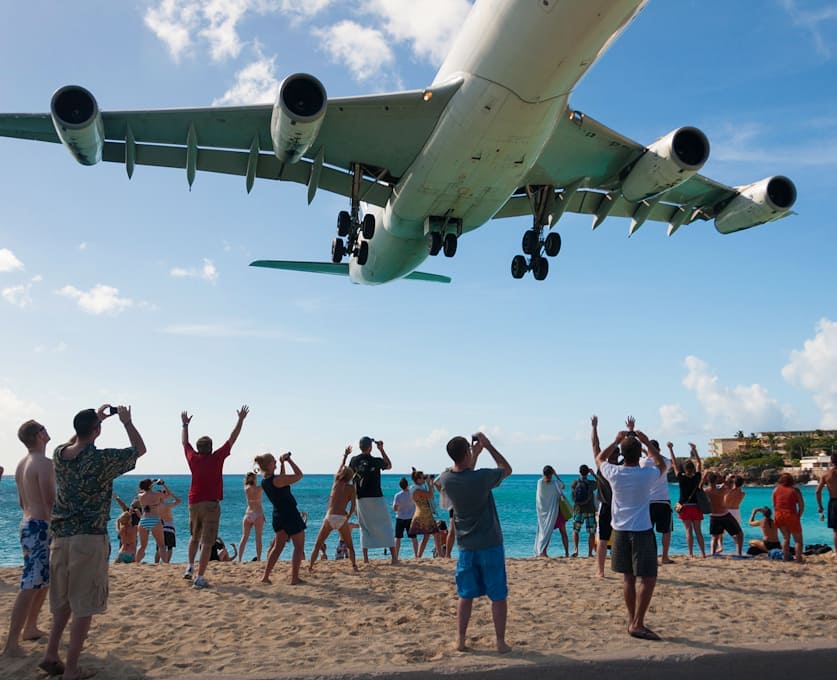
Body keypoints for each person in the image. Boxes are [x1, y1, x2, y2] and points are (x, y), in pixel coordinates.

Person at [39, 404, 146, 680]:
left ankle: (52, 653)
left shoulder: (59, 455)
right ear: (96, 431)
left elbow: (73, 440)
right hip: (89, 537)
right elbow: (139, 449)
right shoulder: (101, 460)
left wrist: (95, 421)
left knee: (62, 602)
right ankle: (71, 670)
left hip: (60, 538)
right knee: (84, 605)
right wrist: (126, 422)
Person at [436, 432, 512, 654]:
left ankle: (460, 640)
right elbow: (506, 469)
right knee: (498, 595)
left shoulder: (446, 479)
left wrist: (473, 454)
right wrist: (488, 446)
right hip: (490, 543)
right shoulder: (481, 478)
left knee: (465, 595)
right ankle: (500, 642)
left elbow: (462, 473)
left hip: (466, 546)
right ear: (467, 453)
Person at [595, 416, 666, 641]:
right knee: (648, 578)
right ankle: (638, 622)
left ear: (623, 454)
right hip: (642, 530)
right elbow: (662, 464)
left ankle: (631, 620)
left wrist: (615, 441)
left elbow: (599, 457)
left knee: (628, 578)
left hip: (620, 531)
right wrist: (646, 441)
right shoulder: (647, 474)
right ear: (640, 454)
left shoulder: (614, 473)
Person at [182, 405, 249, 590]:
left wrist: (185, 425)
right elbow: (232, 439)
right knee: (207, 542)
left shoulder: (192, 458)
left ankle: (189, 567)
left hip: (193, 502)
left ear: (198, 448)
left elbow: (184, 443)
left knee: (194, 537)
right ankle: (200, 577)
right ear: (210, 448)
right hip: (211, 504)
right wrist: (241, 420)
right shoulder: (216, 457)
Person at [3, 420, 54, 658]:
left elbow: (23, 501)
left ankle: (30, 627)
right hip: (39, 526)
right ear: (39, 435)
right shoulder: (43, 463)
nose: (47, 430)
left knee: (42, 581)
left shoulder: (22, 463)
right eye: (44, 428)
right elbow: (50, 500)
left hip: (28, 524)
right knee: (30, 583)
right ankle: (11, 643)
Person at [256, 452, 306, 584]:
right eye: (274, 461)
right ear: (268, 465)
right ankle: (294, 578)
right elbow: (299, 475)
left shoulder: (265, 481)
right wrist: (289, 460)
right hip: (289, 514)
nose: (276, 462)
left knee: (278, 547)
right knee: (299, 546)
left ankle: (265, 576)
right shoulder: (276, 480)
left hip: (278, 514)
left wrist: (283, 463)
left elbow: (281, 480)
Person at [348, 437, 397, 564]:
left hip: (361, 497)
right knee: (386, 525)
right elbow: (389, 465)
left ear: (360, 447)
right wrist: (381, 450)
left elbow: (349, 478)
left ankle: (365, 558)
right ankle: (394, 557)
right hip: (376, 496)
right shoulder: (375, 461)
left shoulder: (354, 460)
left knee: (364, 527)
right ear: (370, 447)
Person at [309, 448, 358, 572]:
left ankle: (310, 567)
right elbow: (353, 506)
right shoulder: (351, 488)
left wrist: (345, 456)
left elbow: (340, 467)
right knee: (350, 546)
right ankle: (354, 566)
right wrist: (348, 516)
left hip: (330, 517)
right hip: (342, 518)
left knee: (317, 544)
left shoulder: (336, 483)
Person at [641, 440, 674, 564]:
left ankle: (650, 557)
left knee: (648, 531)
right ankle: (665, 557)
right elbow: (669, 461)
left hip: (648, 501)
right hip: (663, 500)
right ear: (658, 450)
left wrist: (647, 452)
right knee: (666, 531)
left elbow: (647, 457)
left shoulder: (642, 462)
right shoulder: (664, 462)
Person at [671, 443, 706, 558]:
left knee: (688, 531)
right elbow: (699, 463)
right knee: (698, 531)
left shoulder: (681, 477)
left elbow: (674, 464)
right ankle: (703, 553)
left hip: (685, 508)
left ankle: (690, 553)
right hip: (696, 506)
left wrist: (671, 449)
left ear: (685, 469)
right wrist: (694, 449)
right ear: (692, 468)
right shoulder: (697, 477)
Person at [591, 415, 615, 576]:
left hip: (608, 506)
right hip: (617, 507)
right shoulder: (622, 468)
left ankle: (601, 571)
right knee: (614, 538)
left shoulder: (603, 467)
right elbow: (595, 445)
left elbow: (595, 445)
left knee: (604, 538)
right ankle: (602, 570)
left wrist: (594, 427)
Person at [703, 471, 743, 556]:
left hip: (713, 516)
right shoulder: (721, 491)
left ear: (708, 481)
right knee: (739, 533)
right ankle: (739, 553)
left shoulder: (706, 491)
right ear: (716, 480)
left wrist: (704, 477)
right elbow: (729, 486)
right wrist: (724, 479)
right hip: (724, 515)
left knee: (715, 537)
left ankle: (713, 553)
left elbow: (699, 487)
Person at [773, 473, 804, 562]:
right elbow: (801, 505)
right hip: (790, 514)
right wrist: (799, 516)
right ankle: (798, 559)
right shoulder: (795, 490)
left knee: (786, 538)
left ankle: (785, 558)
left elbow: (774, 505)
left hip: (779, 514)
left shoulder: (775, 490)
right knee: (798, 540)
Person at [534, 465, 564, 557]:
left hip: (541, 511)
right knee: (548, 531)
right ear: (552, 474)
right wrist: (556, 475)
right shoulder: (555, 483)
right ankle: (543, 552)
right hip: (551, 511)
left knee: (542, 531)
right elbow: (563, 486)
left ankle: (541, 551)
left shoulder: (539, 482)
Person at [408, 468, 439, 558]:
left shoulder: (415, 488)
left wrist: (430, 483)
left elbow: (429, 493)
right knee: (436, 535)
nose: (423, 479)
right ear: (417, 480)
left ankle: (418, 556)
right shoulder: (417, 490)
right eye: (422, 478)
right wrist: (429, 483)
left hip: (423, 512)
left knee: (427, 536)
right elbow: (430, 495)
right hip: (424, 514)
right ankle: (440, 555)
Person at [135, 479, 166, 564]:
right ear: (150, 486)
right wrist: (163, 485)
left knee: (142, 546)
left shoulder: (140, 496)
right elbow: (168, 495)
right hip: (154, 519)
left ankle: (136, 563)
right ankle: (165, 563)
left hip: (143, 520)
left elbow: (140, 491)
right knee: (161, 545)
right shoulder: (157, 494)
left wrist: (150, 482)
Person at [237, 471, 266, 562]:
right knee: (258, 538)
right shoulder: (258, 489)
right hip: (258, 514)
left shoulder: (246, 488)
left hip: (248, 514)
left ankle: (239, 559)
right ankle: (259, 558)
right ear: (254, 479)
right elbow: (265, 482)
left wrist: (254, 475)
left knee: (244, 537)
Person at [570, 464, 597, 557]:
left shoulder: (574, 483)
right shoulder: (591, 483)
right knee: (591, 532)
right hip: (590, 509)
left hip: (578, 509)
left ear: (579, 472)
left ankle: (576, 550)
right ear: (587, 472)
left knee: (575, 530)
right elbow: (601, 482)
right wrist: (593, 474)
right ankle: (590, 553)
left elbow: (573, 495)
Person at [815, 453, 836, 557]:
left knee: (836, 530)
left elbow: (818, 491)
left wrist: (820, 506)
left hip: (834, 502)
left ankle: (836, 552)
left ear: (831, 461)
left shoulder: (826, 475)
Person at [393, 476, 418, 560]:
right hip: (411, 517)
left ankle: (396, 555)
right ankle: (416, 555)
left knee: (398, 538)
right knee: (413, 537)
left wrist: (397, 508)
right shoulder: (412, 494)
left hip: (400, 518)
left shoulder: (398, 495)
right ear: (407, 485)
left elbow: (395, 508)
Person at [155, 481, 180, 564]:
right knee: (169, 547)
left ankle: (156, 563)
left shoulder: (154, 507)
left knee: (159, 547)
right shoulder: (167, 505)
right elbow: (178, 500)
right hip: (169, 527)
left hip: (159, 527)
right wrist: (164, 486)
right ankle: (166, 563)